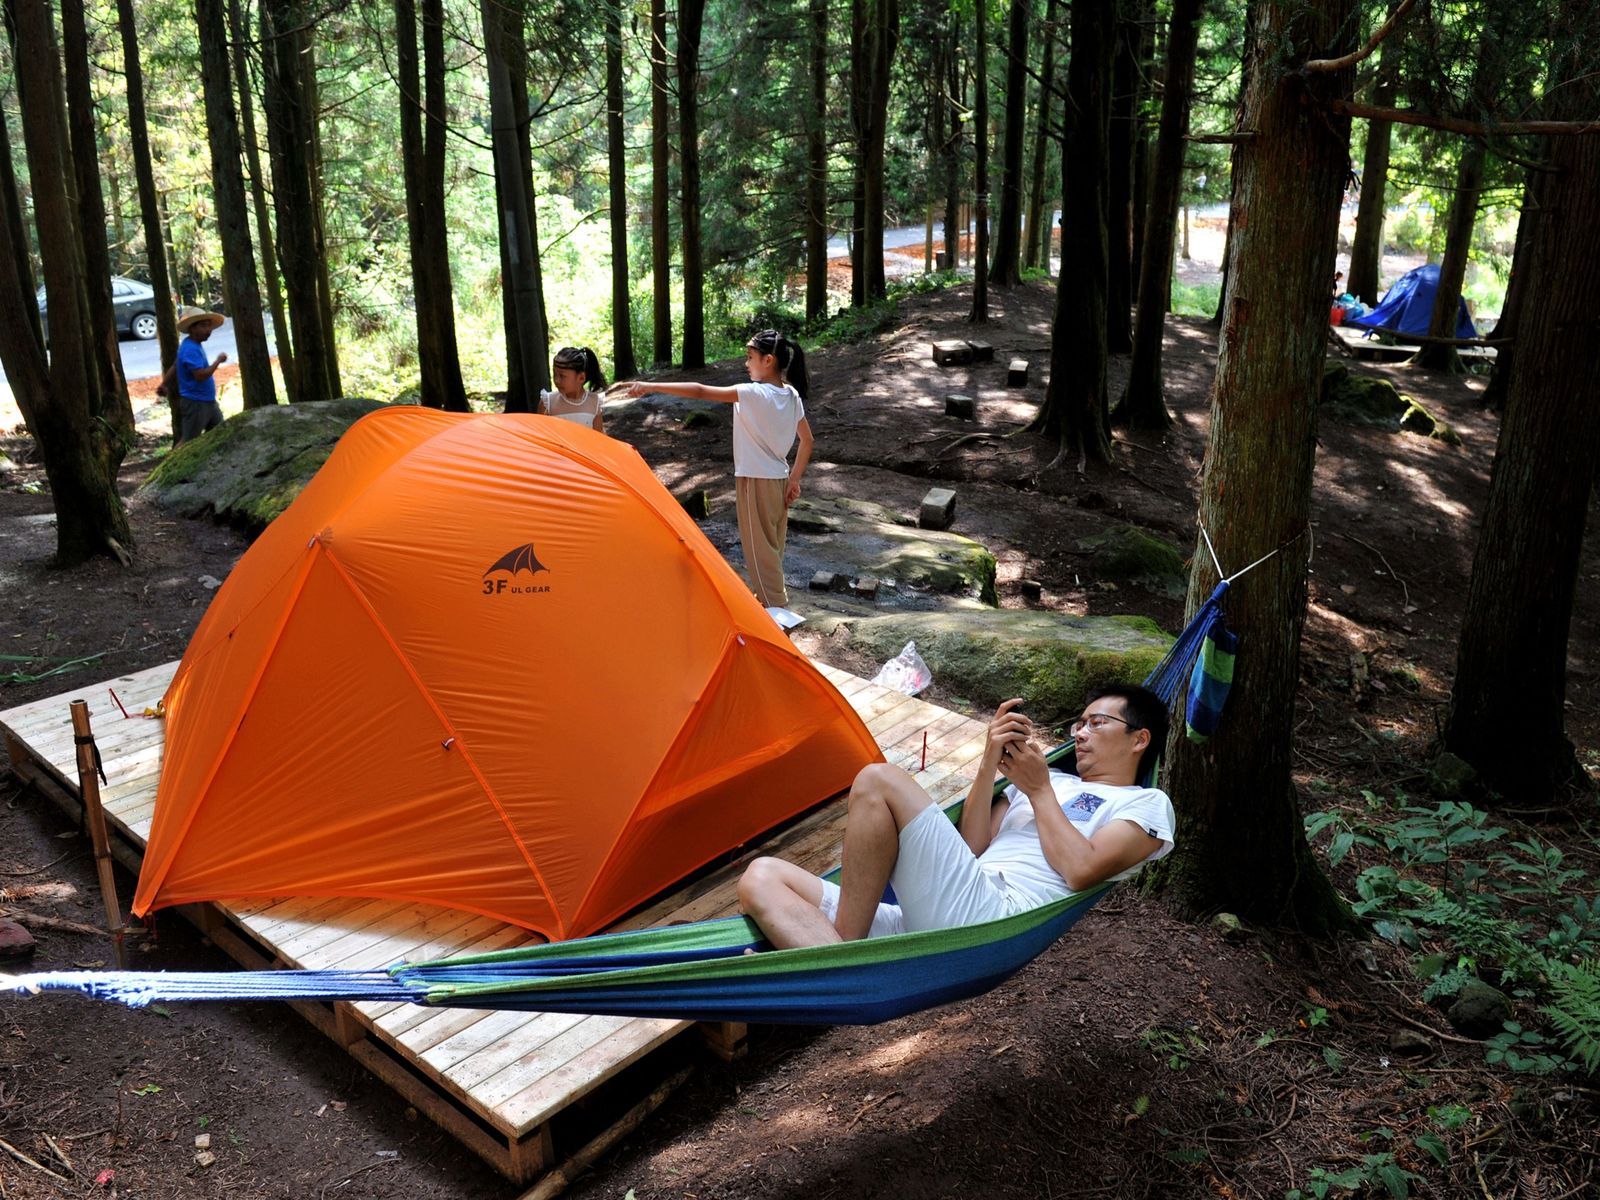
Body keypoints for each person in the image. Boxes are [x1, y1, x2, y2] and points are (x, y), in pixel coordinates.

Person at [737, 684, 1176, 949]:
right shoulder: (1054, 782)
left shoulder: (1145, 805)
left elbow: (1083, 871)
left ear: (1139, 740)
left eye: (1096, 723)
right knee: (760, 876)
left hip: (995, 918)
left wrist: (1038, 788)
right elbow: (970, 848)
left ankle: (843, 952)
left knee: (879, 780)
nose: (1080, 733)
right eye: (1078, 724)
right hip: (944, 905)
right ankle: (835, 965)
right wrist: (989, 760)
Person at [625, 330, 814, 608]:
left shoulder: (753, 393)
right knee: (771, 553)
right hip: (778, 481)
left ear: (768, 360)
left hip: (755, 482)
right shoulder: (791, 395)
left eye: (750, 358)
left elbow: (701, 391)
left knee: (761, 556)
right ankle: (768, 605)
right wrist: (793, 481)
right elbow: (807, 441)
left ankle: (778, 616)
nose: (746, 364)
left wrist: (653, 386)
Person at [161, 307, 229, 445]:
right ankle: (171, 465)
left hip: (207, 401)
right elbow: (200, 376)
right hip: (196, 402)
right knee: (188, 442)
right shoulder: (190, 349)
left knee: (220, 433)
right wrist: (218, 361)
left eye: (209, 326)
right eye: (203, 326)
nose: (208, 330)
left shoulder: (190, 345)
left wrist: (164, 384)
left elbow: (175, 365)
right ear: (192, 328)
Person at [539, 346, 607, 433]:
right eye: (554, 374)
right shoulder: (547, 403)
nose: (556, 380)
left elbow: (599, 438)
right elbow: (541, 435)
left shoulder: (595, 402)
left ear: (581, 378)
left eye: (562, 376)